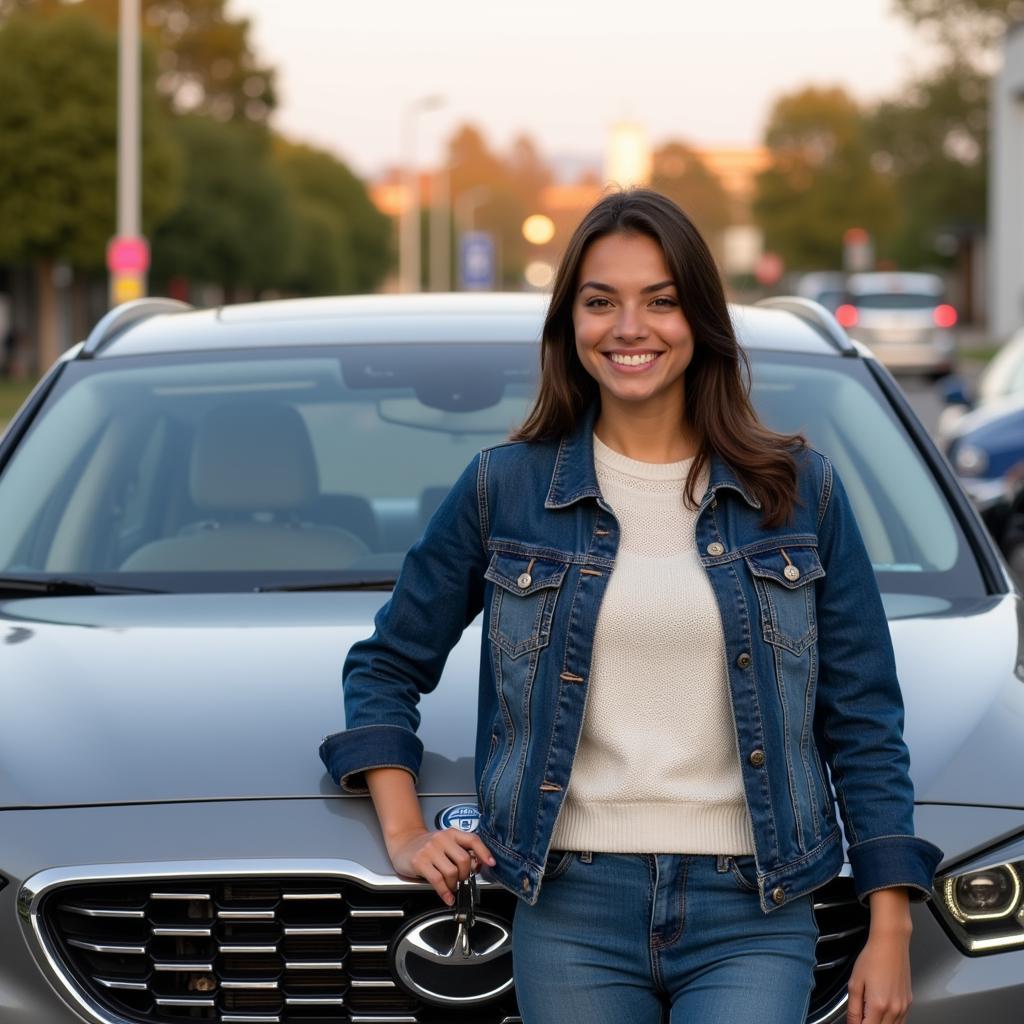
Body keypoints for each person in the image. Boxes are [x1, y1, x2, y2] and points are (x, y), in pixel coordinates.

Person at [319, 187, 944, 1024]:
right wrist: (403, 832)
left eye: (661, 301)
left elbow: (862, 717)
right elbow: (387, 664)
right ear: (569, 323)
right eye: (600, 301)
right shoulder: (504, 491)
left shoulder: (797, 495)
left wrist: (890, 923)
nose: (629, 328)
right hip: (571, 907)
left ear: (701, 321)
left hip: (754, 909)